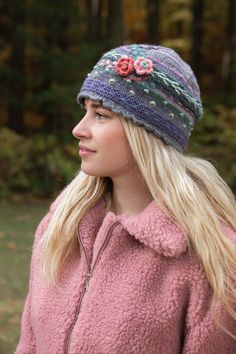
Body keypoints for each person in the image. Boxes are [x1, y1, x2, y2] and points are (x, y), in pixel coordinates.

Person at [15, 44, 236, 354]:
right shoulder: (58, 229)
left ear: (146, 133)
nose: (79, 129)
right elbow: (30, 345)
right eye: (85, 111)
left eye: (101, 115)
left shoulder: (212, 261)